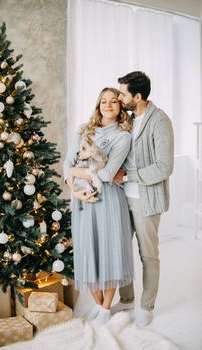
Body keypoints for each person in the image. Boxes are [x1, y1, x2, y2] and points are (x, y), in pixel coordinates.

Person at [63, 87, 134, 326]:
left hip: (110, 202)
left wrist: (75, 171)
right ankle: (98, 303)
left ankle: (106, 308)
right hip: (82, 200)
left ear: (120, 106)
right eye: (104, 101)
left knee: (110, 250)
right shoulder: (84, 131)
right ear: (98, 105)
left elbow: (106, 173)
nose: (108, 105)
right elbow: (67, 163)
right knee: (87, 250)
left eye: (114, 101)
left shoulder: (123, 136)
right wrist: (74, 189)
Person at [111, 71, 174, 327]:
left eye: (123, 93)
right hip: (120, 198)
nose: (118, 97)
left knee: (148, 255)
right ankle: (126, 299)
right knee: (122, 252)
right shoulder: (126, 119)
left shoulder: (160, 121)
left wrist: (127, 177)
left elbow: (164, 166)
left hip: (145, 199)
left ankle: (146, 306)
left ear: (137, 96)